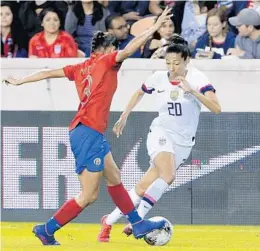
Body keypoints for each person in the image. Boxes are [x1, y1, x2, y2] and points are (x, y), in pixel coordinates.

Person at [3, 7, 173, 246]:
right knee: (89, 195)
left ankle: (137, 223)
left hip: (87, 131)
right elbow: (129, 50)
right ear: (106, 50)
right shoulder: (106, 61)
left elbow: (48, 71)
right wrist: (153, 29)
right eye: (114, 48)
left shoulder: (80, 67)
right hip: (88, 133)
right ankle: (46, 229)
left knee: (114, 178)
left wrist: (21, 80)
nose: (117, 53)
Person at [98, 40, 221, 242]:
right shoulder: (158, 78)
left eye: (177, 63)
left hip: (183, 142)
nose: (172, 68)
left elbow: (217, 108)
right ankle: (137, 222)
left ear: (186, 61)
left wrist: (193, 91)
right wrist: (124, 115)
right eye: (168, 63)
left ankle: (108, 222)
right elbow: (139, 92)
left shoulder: (198, 79)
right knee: (168, 174)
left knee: (144, 186)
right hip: (161, 132)